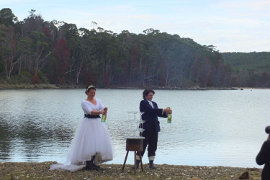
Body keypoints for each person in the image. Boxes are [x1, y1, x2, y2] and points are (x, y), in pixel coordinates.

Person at [50, 85, 113, 171]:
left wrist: (104, 114)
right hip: (88, 123)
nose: (93, 94)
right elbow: (90, 111)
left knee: (97, 142)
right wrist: (101, 111)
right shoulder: (84, 102)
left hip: (98, 123)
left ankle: (93, 163)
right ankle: (88, 163)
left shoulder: (98, 100)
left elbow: (103, 113)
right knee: (88, 142)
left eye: (94, 92)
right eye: (91, 92)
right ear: (87, 92)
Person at [136, 89, 172, 169]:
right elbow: (150, 111)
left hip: (154, 127)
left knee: (153, 145)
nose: (152, 97)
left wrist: (166, 113)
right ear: (145, 95)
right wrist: (163, 109)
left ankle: (151, 163)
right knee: (142, 145)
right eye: (150, 95)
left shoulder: (154, 103)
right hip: (145, 127)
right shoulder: (143, 102)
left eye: (152, 95)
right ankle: (137, 163)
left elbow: (157, 113)